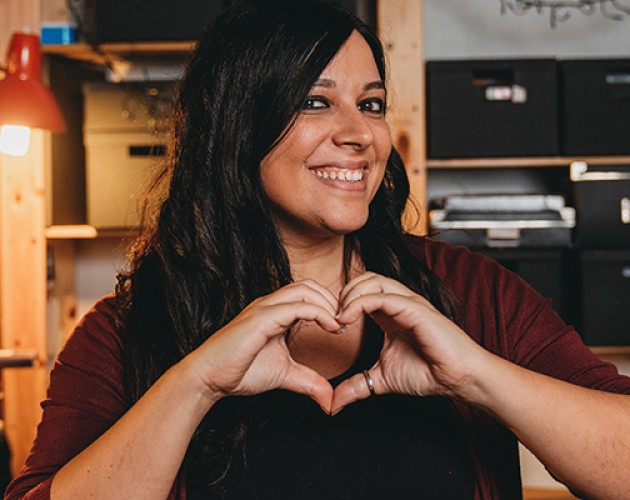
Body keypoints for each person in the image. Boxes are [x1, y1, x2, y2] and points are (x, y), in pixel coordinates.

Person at [6, 1, 630, 498]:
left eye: (371, 104)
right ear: (236, 125)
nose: (359, 133)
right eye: (315, 101)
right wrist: (194, 383)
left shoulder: (472, 292)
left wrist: (477, 375)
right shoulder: (126, 329)